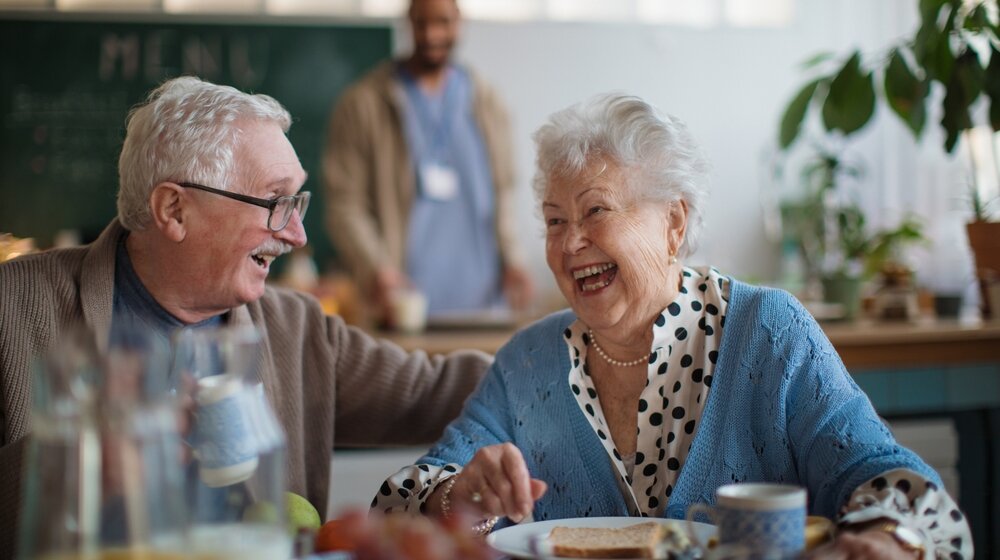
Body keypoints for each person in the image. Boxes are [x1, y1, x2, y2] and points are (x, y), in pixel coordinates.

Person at [372, 94, 974, 559]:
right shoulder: (527, 362)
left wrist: (886, 538)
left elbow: (886, 476)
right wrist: (458, 496)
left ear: (674, 223)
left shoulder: (769, 332)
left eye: (595, 210)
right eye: (555, 221)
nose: (570, 242)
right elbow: (399, 504)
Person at [0, 76, 491, 558]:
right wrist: (74, 463)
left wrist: (543, 359)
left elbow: (442, 390)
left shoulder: (295, 327)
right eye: (275, 202)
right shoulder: (13, 304)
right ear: (174, 209)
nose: (297, 235)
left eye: (297, 203)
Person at [322, 0, 534, 324]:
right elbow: (344, 204)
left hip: (485, 309)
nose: (432, 34)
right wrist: (375, 268)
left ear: (459, 22)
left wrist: (514, 260)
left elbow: (505, 191)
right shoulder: (363, 105)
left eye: (443, 23)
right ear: (408, 22)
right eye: (422, 23)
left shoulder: (488, 103)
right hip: (402, 311)